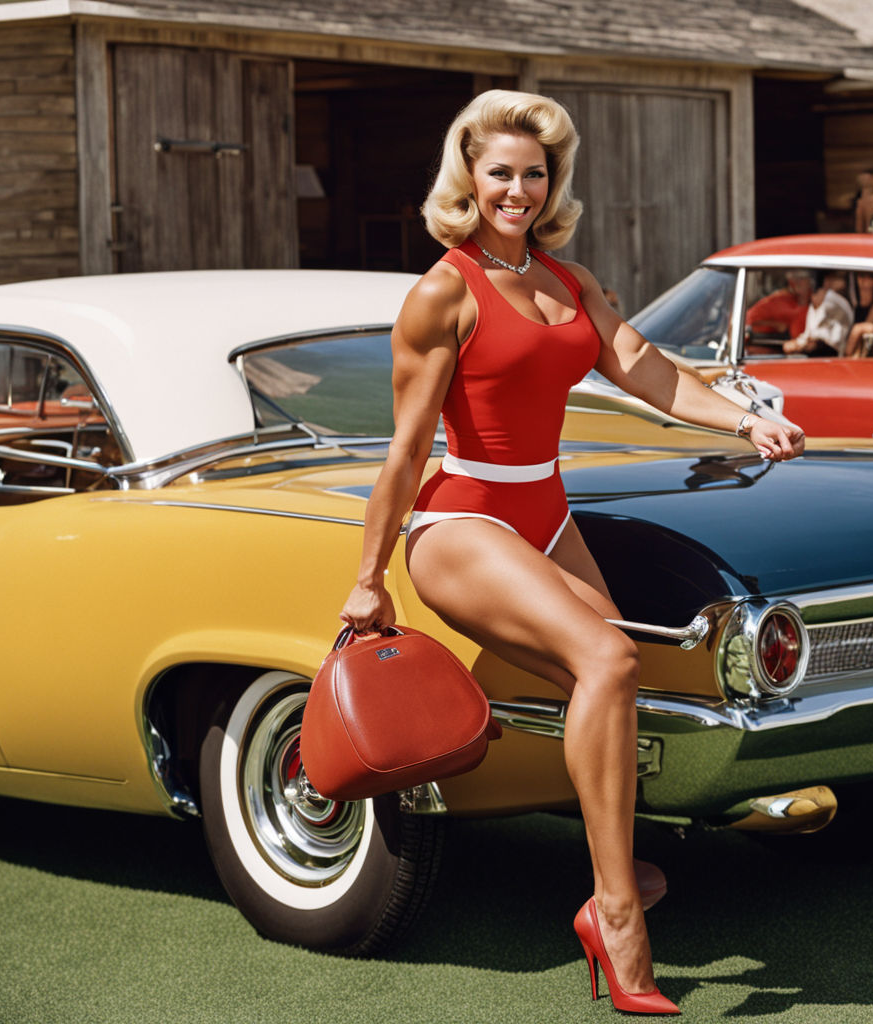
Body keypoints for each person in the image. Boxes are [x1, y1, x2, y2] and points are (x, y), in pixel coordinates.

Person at [340, 89, 804, 1016]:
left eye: (534, 172)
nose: (517, 188)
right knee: (608, 655)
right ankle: (618, 913)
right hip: (462, 522)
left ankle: (615, 861)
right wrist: (368, 578)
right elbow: (403, 449)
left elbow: (651, 371)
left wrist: (750, 419)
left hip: (546, 513)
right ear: (468, 177)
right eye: (500, 171)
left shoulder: (571, 280)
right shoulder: (443, 290)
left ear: (554, 182)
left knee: (623, 679)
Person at [782, 271, 854, 356]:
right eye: (828, 279)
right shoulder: (816, 303)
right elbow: (810, 333)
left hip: (831, 360)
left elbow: (831, 342)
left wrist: (802, 344)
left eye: (835, 279)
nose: (829, 282)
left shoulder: (838, 303)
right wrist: (798, 343)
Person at [745, 270, 813, 344]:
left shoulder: (814, 304)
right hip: (764, 345)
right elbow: (747, 319)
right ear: (791, 282)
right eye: (797, 279)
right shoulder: (777, 300)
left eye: (802, 279)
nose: (798, 283)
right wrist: (775, 325)